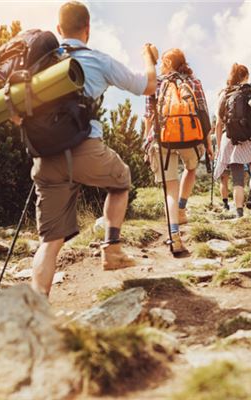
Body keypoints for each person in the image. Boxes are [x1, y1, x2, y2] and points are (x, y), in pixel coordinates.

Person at [27, 1, 158, 295]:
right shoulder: (98, 60)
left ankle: (36, 311)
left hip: (45, 158)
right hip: (85, 149)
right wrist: (149, 58)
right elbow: (147, 86)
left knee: (49, 244)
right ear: (88, 29)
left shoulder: (41, 63)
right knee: (121, 179)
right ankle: (111, 249)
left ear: (59, 29)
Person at [145, 48, 211, 256]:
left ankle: (174, 235)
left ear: (166, 63)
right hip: (190, 137)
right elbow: (203, 113)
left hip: (162, 138)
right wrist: (208, 143)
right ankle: (182, 208)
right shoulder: (194, 82)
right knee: (191, 168)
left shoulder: (156, 83)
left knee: (169, 187)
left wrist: (146, 142)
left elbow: (148, 115)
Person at [214, 63, 251, 218]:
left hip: (231, 139)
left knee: (238, 179)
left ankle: (239, 214)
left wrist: (220, 148)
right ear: (247, 76)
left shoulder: (224, 94)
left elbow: (218, 124)